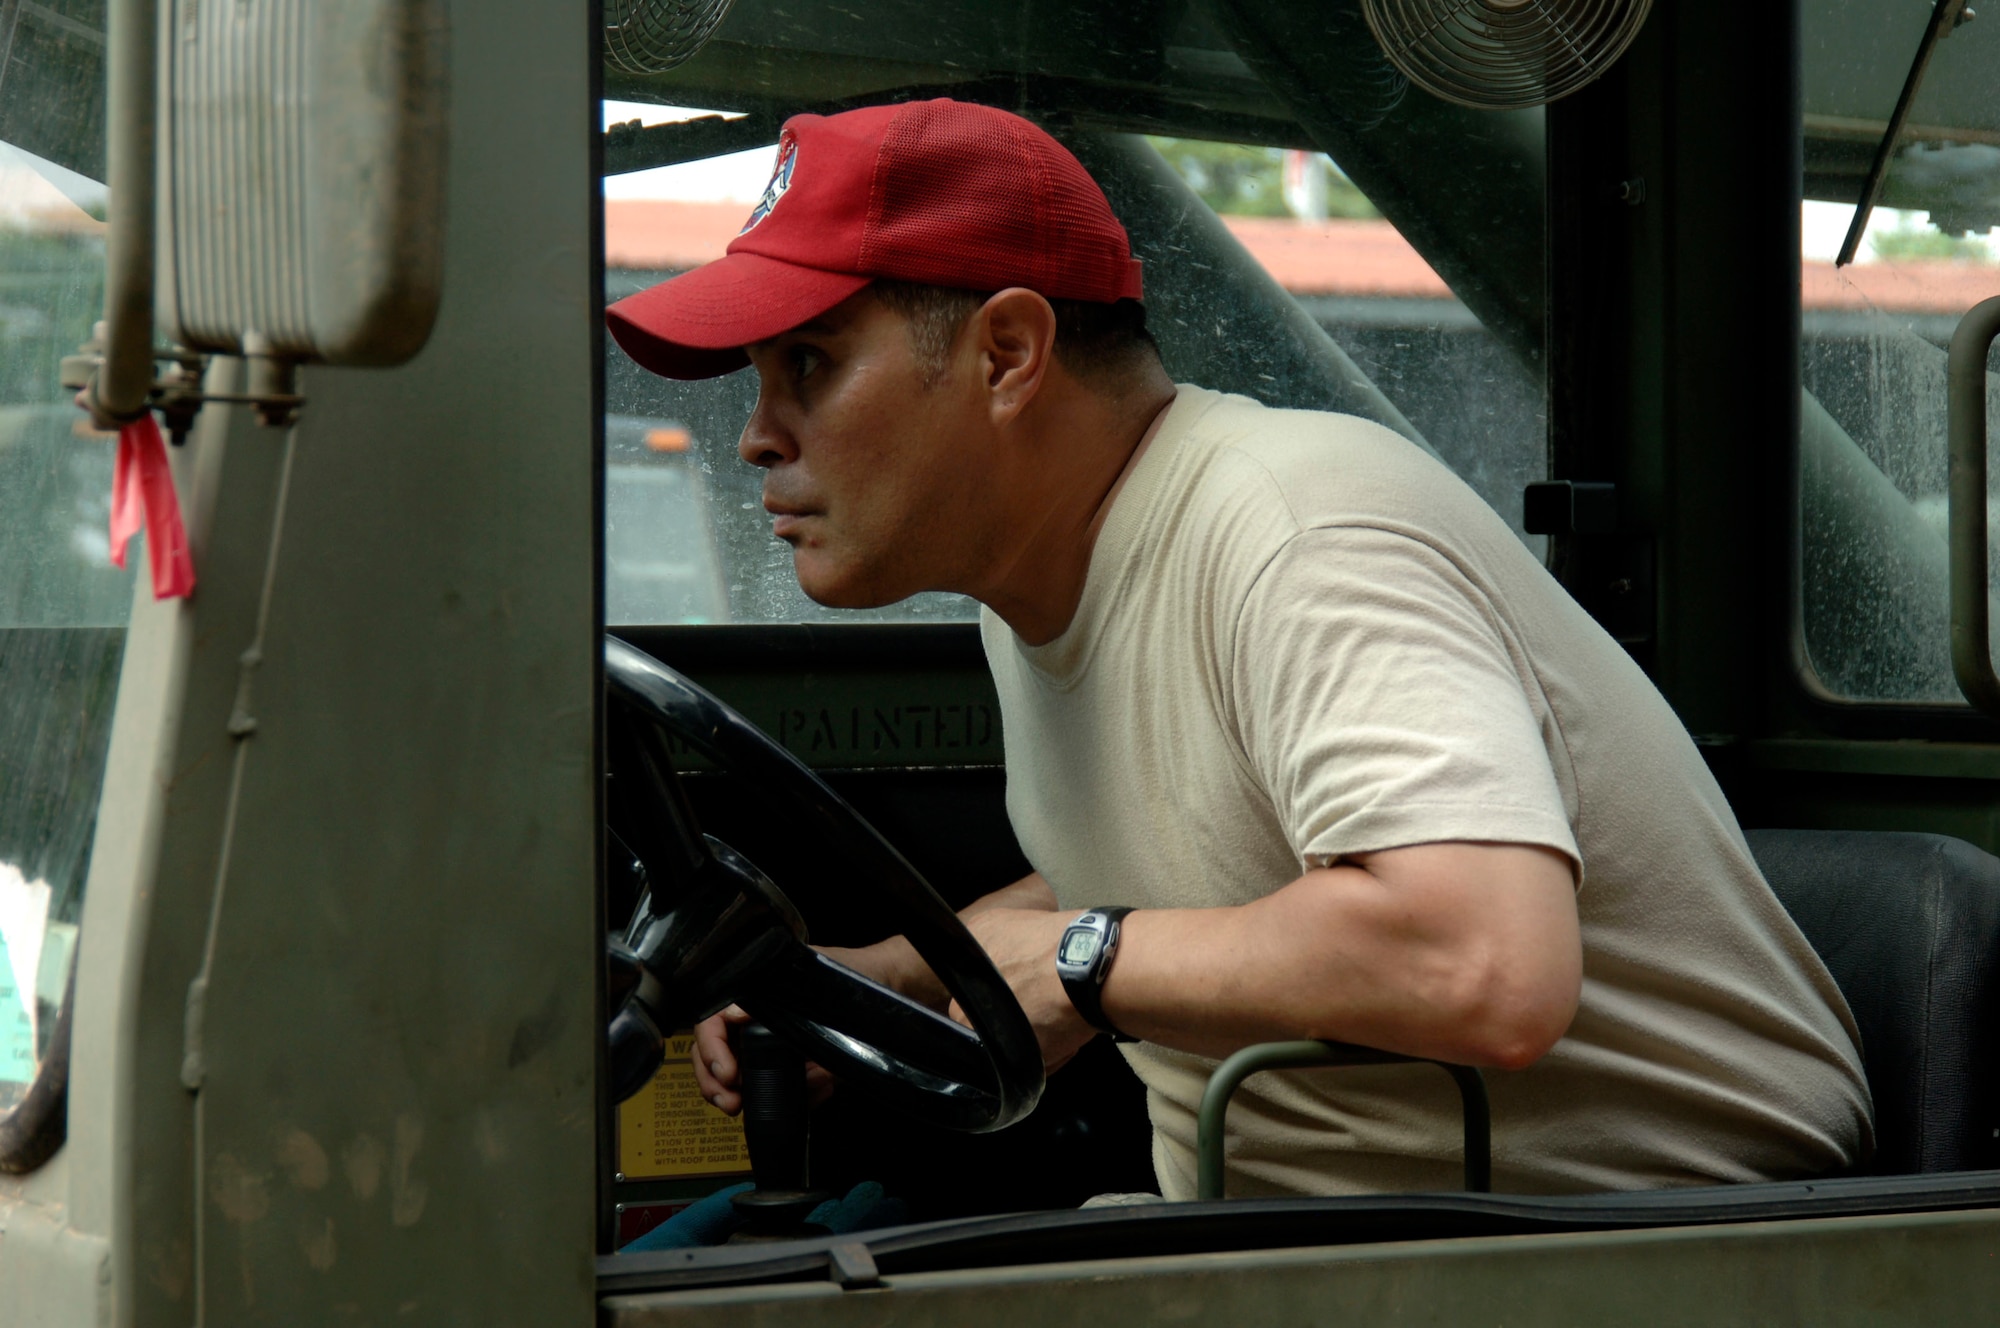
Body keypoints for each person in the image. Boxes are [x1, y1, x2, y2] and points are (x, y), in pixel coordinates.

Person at [605, 97, 1872, 1199]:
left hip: (1656, 1239)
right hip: (1293, 1233)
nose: (756, 437)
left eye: (809, 367)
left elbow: (1485, 958)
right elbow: (1206, 855)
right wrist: (909, 968)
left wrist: (1078, 960)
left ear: (1005, 353)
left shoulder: (1294, 530)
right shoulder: (1037, 587)